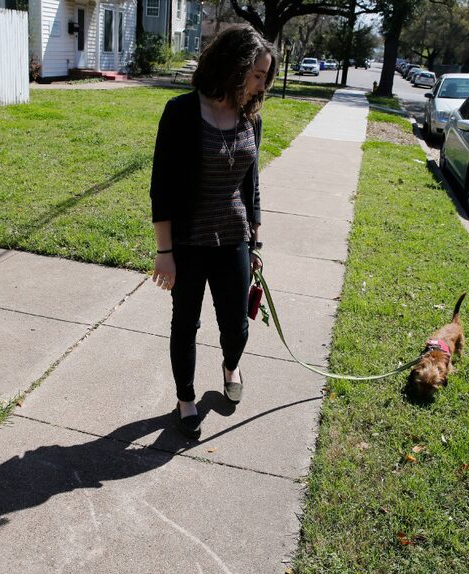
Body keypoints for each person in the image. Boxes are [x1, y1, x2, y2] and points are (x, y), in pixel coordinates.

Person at [149, 25, 277, 439]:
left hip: (234, 239)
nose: (261, 84)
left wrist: (255, 241)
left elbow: (251, 184)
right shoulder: (181, 113)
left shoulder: (249, 118)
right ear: (233, 67)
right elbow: (162, 188)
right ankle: (185, 399)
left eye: (264, 76)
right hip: (187, 243)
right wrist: (163, 251)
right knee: (185, 323)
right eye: (256, 74)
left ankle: (230, 364)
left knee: (237, 325)